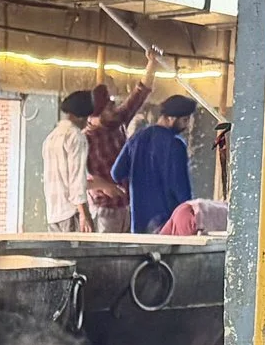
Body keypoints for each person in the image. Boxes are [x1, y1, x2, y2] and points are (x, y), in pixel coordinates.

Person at [111, 94, 197, 237]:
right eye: (185, 120)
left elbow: (116, 173)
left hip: (139, 224)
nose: (186, 126)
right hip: (169, 224)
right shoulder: (175, 145)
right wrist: (192, 212)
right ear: (170, 119)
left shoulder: (137, 138)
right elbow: (181, 188)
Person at [84, 67, 153, 231]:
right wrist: (105, 187)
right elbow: (77, 181)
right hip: (105, 209)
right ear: (95, 115)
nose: (114, 110)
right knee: (107, 253)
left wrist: (152, 64)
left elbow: (139, 94)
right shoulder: (85, 139)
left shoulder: (117, 122)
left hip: (128, 206)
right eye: (109, 108)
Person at [42, 90, 95, 233]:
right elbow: (76, 181)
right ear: (80, 117)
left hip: (53, 214)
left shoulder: (50, 138)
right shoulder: (76, 137)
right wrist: (85, 215)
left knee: (57, 255)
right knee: (76, 255)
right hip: (71, 213)